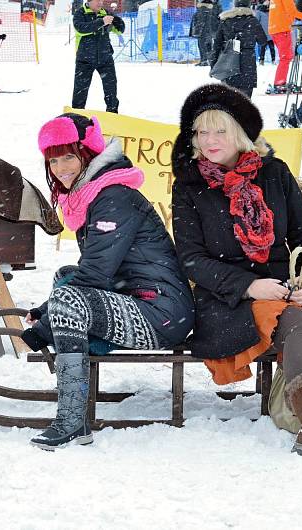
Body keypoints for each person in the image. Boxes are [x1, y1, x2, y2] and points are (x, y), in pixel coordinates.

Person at [170, 84, 302, 461]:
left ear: (240, 133)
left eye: (220, 130)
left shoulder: (274, 173)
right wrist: (251, 286)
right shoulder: (189, 184)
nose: (210, 139)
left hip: (286, 285)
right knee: (298, 322)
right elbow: (191, 259)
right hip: (227, 297)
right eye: (202, 132)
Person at [22, 113, 194, 450]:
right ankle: (84, 361)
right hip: (139, 300)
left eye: (68, 156)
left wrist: (43, 325)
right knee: (65, 279)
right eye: (53, 160)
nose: (60, 168)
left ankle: (73, 420)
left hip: (161, 313)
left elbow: (95, 275)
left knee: (69, 296)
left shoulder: (112, 196)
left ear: (88, 154)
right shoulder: (93, 194)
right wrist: (47, 312)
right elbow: (90, 273)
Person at [72, 0, 125, 113]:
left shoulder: (105, 13)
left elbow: (120, 30)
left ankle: (112, 114)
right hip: (84, 60)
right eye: (97, 0)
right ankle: (77, 116)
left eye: (101, 0)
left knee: (111, 90)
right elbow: (81, 28)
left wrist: (116, 20)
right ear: (89, 1)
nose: (100, 3)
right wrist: (101, 22)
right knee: (80, 92)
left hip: (105, 59)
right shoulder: (80, 13)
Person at [210, 0, 267, 97]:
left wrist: (213, 64)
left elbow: (217, 45)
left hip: (229, 63)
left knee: (229, 100)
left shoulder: (226, 20)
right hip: (248, 63)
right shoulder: (252, 21)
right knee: (245, 101)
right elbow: (263, 41)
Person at [267, 0, 302, 93]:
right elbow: (292, 12)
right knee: (286, 57)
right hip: (282, 29)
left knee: (285, 57)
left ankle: (280, 81)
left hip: (275, 28)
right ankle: (279, 83)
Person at [190, 0, 221, 66]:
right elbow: (219, 18)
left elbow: (196, 19)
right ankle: (208, 60)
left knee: (202, 45)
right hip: (211, 29)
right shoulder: (216, 6)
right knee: (209, 45)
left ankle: (204, 60)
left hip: (202, 30)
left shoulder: (201, 7)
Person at [254, 0, 276, 64]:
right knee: (263, 47)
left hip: (271, 31)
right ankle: (261, 60)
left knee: (271, 47)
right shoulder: (259, 11)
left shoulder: (272, 9)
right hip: (263, 33)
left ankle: (273, 60)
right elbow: (257, 21)